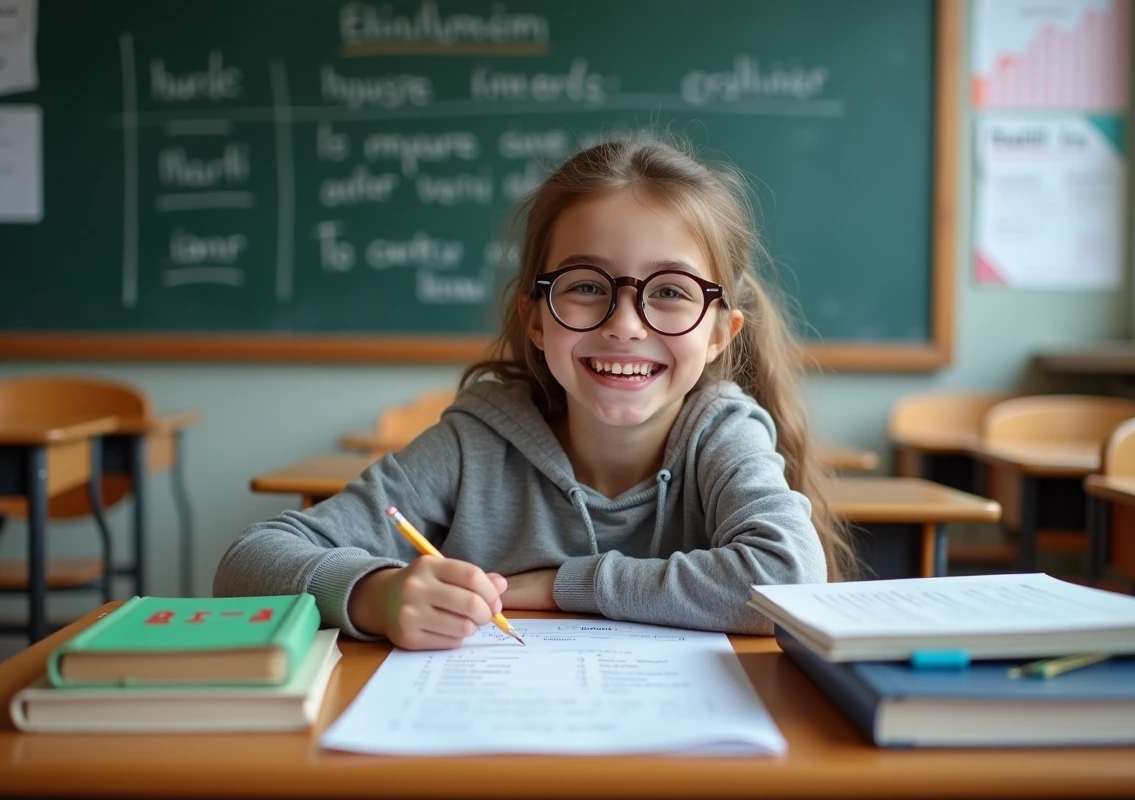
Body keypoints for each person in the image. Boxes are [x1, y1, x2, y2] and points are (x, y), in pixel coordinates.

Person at [214, 135, 854, 649]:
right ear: (537, 318)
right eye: (585, 285)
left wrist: (563, 585)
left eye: (670, 292)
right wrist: (375, 594)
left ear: (721, 333)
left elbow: (788, 579)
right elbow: (247, 564)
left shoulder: (721, 437)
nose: (625, 325)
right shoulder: (475, 445)